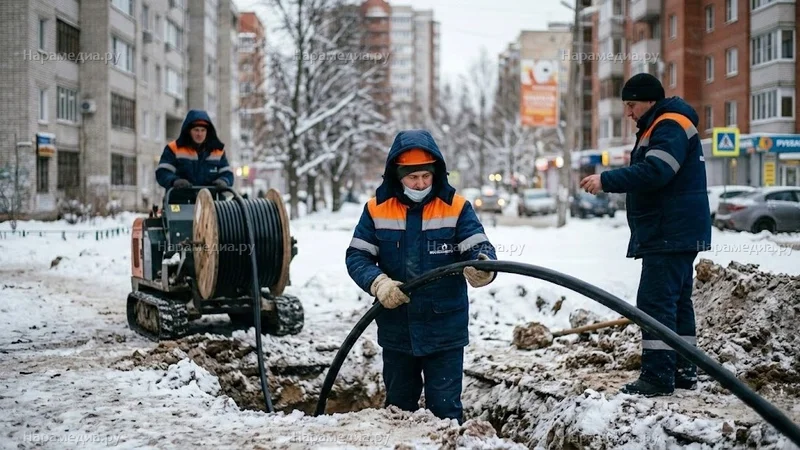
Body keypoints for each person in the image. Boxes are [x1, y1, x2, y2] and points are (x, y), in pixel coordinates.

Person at [345, 129, 498, 423]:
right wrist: (379, 283)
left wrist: (482, 266)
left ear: (435, 173)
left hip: (444, 329)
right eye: (413, 178)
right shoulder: (376, 209)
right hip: (397, 329)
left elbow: (478, 246)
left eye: (426, 176)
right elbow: (357, 256)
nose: (420, 183)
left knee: (445, 413)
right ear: (397, 175)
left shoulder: (456, 207)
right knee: (398, 413)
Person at [579, 73, 711, 397]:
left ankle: (657, 376)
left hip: (669, 231)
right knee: (677, 302)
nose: (628, 113)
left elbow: (657, 171)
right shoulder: (665, 124)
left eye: (631, 104)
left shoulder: (668, 125)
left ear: (649, 100)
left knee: (654, 303)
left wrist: (606, 180)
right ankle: (683, 370)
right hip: (675, 230)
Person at [155, 109, 233, 190]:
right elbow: (162, 172)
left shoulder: (218, 151)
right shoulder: (173, 149)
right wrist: (174, 181)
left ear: (208, 132)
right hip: (180, 199)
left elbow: (227, 174)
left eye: (203, 130)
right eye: (196, 130)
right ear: (189, 131)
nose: (199, 134)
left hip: (211, 200)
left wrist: (224, 181)